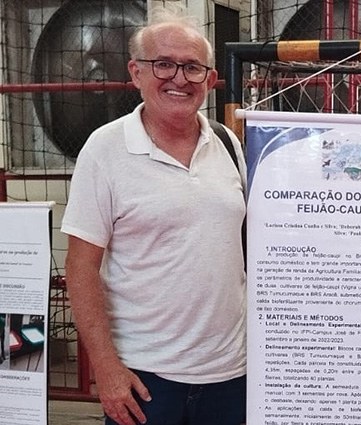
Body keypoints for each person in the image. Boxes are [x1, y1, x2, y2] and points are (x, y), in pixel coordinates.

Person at [61, 5, 247, 425]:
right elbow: (81, 266)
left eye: (192, 67)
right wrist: (106, 368)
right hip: (144, 381)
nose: (179, 78)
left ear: (210, 80)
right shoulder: (104, 149)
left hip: (231, 376)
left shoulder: (228, 144)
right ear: (136, 72)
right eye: (163, 64)